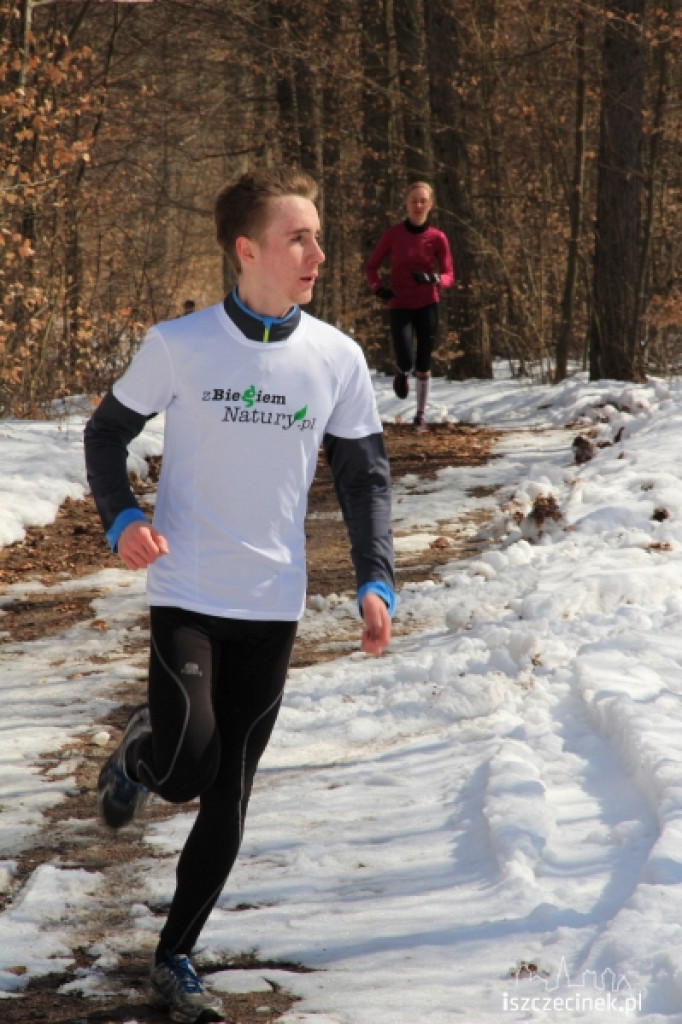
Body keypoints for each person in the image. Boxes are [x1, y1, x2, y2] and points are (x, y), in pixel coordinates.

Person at [84, 168, 395, 1024]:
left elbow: (364, 477)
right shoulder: (179, 345)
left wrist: (377, 579)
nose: (319, 254)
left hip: (273, 603)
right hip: (188, 589)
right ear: (245, 249)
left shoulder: (337, 357)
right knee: (188, 769)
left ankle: (175, 955)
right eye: (300, 238)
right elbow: (107, 432)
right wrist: (120, 521)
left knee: (230, 792)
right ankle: (143, 756)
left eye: (318, 237)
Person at [365, 181, 454, 431]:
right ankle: (402, 372)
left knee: (424, 361)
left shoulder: (437, 238)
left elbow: (449, 275)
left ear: (430, 205)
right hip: (399, 304)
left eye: (423, 201)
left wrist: (434, 279)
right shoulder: (393, 235)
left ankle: (420, 415)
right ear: (406, 203)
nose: (418, 205)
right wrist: (379, 289)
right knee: (406, 358)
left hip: (427, 304)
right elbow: (371, 267)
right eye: (413, 200)